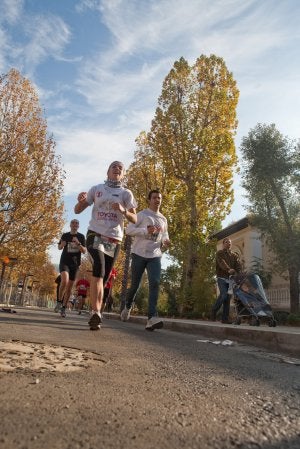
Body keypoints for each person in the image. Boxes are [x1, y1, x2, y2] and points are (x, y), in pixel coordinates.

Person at [74, 161, 137, 330]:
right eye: (114, 166)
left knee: (105, 276)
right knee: (99, 268)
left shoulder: (126, 193)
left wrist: (124, 211)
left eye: (120, 168)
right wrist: (80, 201)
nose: (117, 169)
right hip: (95, 233)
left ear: (123, 174)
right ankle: (95, 311)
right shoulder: (96, 189)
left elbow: (135, 219)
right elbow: (77, 210)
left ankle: (97, 313)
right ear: (108, 171)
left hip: (114, 239)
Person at [120, 189, 170, 331]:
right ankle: (128, 305)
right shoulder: (141, 215)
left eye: (159, 198)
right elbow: (128, 230)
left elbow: (165, 234)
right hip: (139, 253)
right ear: (149, 200)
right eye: (154, 197)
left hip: (155, 255)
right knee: (135, 284)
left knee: (154, 282)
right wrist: (145, 231)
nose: (157, 200)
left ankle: (151, 318)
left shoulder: (163, 219)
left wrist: (166, 241)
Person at [58, 219, 87, 318]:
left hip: (75, 265)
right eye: (73, 223)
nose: (75, 225)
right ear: (70, 225)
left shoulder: (81, 236)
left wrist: (78, 243)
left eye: (77, 223)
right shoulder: (65, 235)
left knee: (69, 288)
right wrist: (62, 244)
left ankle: (63, 307)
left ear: (78, 226)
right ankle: (59, 300)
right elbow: (59, 247)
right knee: (64, 281)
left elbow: (84, 251)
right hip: (64, 262)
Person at [211, 237, 242, 324]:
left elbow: (238, 265)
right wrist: (228, 269)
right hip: (221, 278)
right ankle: (214, 310)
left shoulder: (234, 255)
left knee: (227, 298)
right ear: (223, 244)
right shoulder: (219, 253)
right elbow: (221, 262)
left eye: (230, 242)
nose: (229, 243)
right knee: (224, 295)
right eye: (227, 242)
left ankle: (225, 319)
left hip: (231, 279)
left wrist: (239, 273)